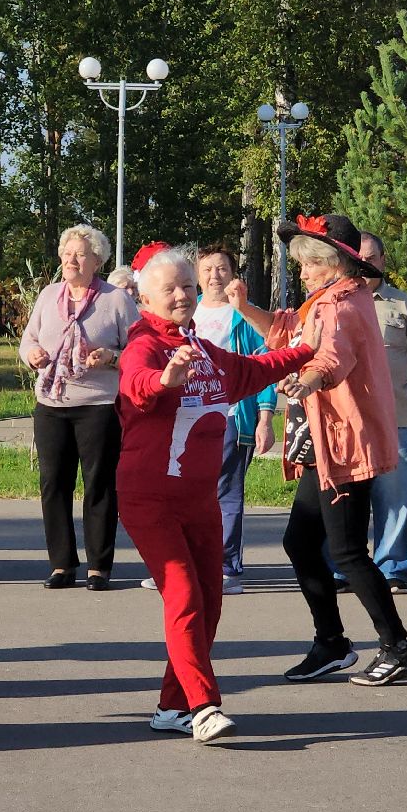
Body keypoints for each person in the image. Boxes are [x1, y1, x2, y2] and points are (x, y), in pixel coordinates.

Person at [119, 244, 314, 742]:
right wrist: (165, 379)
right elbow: (137, 384)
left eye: (188, 285)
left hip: (200, 498)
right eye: (171, 289)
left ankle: (171, 706)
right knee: (182, 594)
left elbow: (252, 371)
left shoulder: (201, 346)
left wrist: (308, 347)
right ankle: (204, 706)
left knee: (210, 600)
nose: (183, 294)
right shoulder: (144, 342)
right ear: (146, 299)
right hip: (150, 497)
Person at [227, 213, 407, 686]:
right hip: (323, 444)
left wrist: (306, 380)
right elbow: (286, 329)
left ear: (333, 263)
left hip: (342, 442)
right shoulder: (326, 301)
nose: (302, 271)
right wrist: (244, 307)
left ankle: (398, 648)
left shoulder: (340, 306)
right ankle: (331, 642)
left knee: (349, 551)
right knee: (300, 542)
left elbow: (332, 358)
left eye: (309, 263)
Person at [20, 224, 138, 591]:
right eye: (67, 253)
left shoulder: (116, 299)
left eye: (80, 254)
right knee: (53, 484)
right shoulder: (48, 295)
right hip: (51, 403)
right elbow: (29, 339)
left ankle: (99, 566)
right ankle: (61, 565)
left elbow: (139, 350)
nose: (71, 260)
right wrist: (31, 355)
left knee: (98, 486)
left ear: (97, 261)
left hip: (98, 406)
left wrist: (111, 356)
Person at [168, 241, 280, 597]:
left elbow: (261, 368)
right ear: (196, 278)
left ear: (233, 274)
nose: (215, 276)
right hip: (189, 413)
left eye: (222, 269)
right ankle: (181, 564)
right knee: (185, 490)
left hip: (231, 413)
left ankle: (227, 566)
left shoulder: (243, 315)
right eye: (207, 270)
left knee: (225, 491)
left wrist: (265, 418)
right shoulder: (188, 314)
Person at [329, 233, 407, 593]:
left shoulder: (402, 306)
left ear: (384, 261)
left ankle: (393, 569)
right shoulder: (332, 302)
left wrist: (394, 395)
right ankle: (342, 569)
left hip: (394, 419)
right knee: (343, 497)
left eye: (371, 258)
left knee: (395, 497)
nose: (364, 264)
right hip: (344, 421)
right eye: (357, 257)